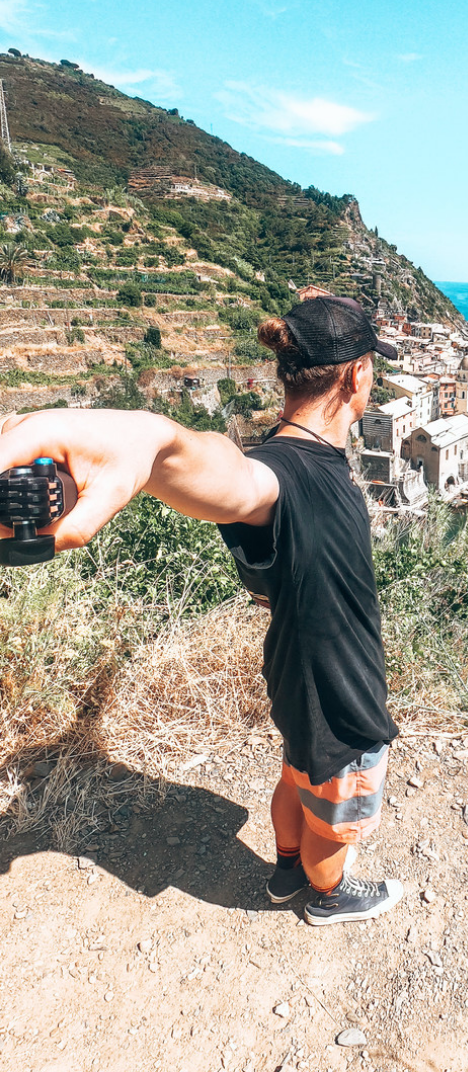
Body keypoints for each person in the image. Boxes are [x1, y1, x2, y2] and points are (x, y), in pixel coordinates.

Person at [0, 296, 403, 926]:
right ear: (357, 375)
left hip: (297, 678)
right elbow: (231, 477)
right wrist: (153, 440)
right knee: (339, 814)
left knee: (298, 773)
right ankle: (326, 895)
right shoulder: (283, 475)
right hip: (342, 698)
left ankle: (285, 869)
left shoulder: (291, 456)